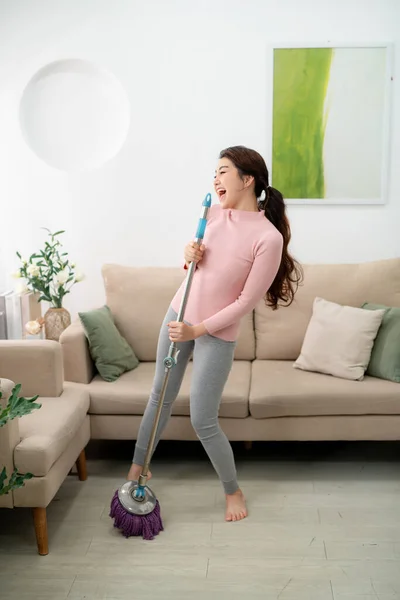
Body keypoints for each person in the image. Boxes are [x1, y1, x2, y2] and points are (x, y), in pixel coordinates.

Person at [127, 145, 302, 521]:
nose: (216, 179)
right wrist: (188, 255)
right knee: (159, 396)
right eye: (215, 173)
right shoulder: (210, 213)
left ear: (247, 179)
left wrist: (197, 330)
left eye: (223, 171)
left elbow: (243, 302)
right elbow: (193, 272)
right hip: (179, 313)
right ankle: (135, 472)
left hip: (214, 332)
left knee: (202, 418)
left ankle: (232, 490)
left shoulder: (268, 239)